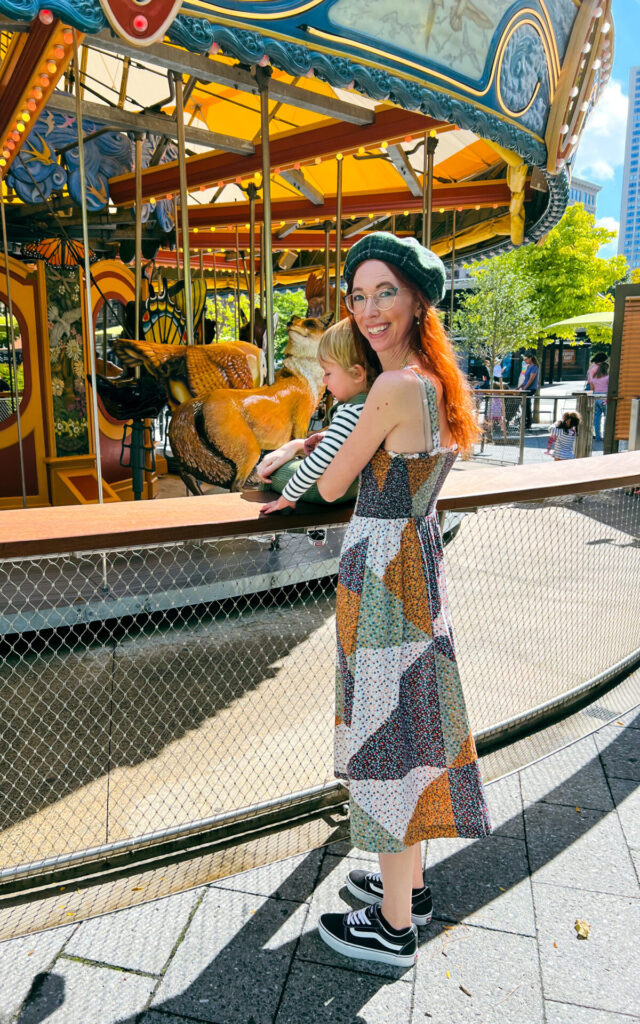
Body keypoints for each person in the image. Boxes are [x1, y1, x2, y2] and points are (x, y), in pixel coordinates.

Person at [312, 232, 491, 968]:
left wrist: (315, 435)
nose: (369, 309)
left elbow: (330, 485)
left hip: (382, 573)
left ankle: (391, 929)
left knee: (386, 740)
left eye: (385, 292)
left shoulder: (388, 388)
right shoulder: (433, 379)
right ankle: (406, 890)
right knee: (412, 727)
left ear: (418, 299)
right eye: (358, 295)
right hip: (415, 564)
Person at [257, 319, 373, 513]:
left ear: (356, 373)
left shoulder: (351, 411)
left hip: (335, 489)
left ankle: (274, 530)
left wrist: (288, 497)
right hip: (355, 487)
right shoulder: (371, 403)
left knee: (274, 472)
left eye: (328, 373)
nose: (324, 381)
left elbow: (320, 460)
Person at [586, 352, 609, 442]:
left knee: (596, 417)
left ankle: (598, 436)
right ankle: (606, 435)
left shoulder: (592, 369)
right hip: (605, 398)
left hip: (595, 395)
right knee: (607, 417)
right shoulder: (607, 377)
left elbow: (591, 385)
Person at [520, 353, 539, 429]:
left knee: (527, 404)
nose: (525, 360)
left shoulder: (534, 367)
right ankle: (525, 421)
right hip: (526, 388)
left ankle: (528, 422)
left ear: (530, 358)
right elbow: (526, 379)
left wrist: (525, 388)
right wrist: (519, 387)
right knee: (524, 404)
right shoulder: (528, 367)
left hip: (530, 388)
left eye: (526, 359)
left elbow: (531, 379)